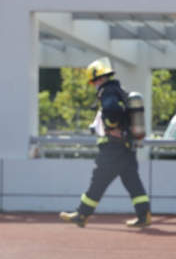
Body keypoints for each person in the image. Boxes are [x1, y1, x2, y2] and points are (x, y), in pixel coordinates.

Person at [59, 57, 151, 228]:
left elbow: (112, 110)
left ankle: (81, 214)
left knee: (98, 180)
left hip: (113, 148)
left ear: (99, 78)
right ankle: (144, 215)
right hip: (126, 147)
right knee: (132, 182)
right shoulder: (119, 90)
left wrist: (112, 127)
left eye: (94, 81)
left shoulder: (107, 91)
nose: (94, 84)